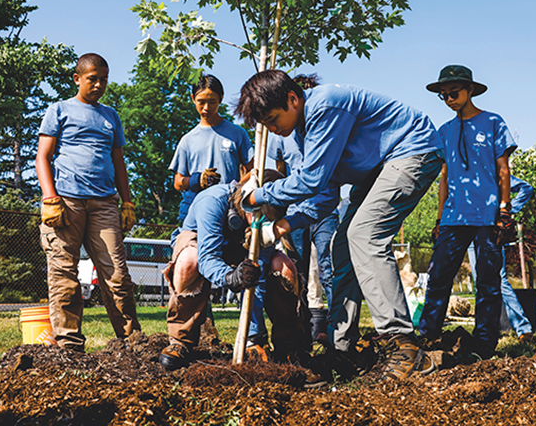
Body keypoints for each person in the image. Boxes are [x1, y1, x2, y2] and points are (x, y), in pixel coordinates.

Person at [236, 69, 444, 380]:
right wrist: (285, 225)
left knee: (364, 233)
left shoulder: (327, 105)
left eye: (272, 120)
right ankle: (341, 349)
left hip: (412, 150)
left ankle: (405, 346)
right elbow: (323, 197)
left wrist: (258, 195)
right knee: (343, 243)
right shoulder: (305, 133)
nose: (273, 129)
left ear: (293, 99)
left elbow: (311, 180)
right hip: (379, 169)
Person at [159, 170, 317, 381]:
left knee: (285, 267)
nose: (264, 223)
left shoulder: (263, 225)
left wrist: (254, 336)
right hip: (202, 246)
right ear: (248, 200)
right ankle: (181, 341)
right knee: (190, 260)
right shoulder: (212, 201)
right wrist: (231, 277)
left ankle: (288, 346)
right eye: (261, 216)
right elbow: (207, 258)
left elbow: (258, 276)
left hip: (239, 252)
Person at [35, 53, 140, 351]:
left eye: (104, 79)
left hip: (105, 203)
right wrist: (49, 197)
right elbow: (42, 157)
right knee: (64, 272)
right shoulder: (59, 111)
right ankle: (69, 343)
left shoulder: (111, 116)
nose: (99, 85)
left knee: (117, 275)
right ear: (77, 79)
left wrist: (127, 203)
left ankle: (132, 342)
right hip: (66, 202)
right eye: (92, 78)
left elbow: (119, 163)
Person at [419, 65, 517, 358]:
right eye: (444, 95)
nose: (449, 98)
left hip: (488, 215)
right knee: (438, 277)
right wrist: (439, 218)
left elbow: (503, 169)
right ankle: (428, 336)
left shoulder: (493, 123)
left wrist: (504, 208)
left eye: (454, 92)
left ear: (470, 90)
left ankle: (485, 343)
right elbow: (444, 176)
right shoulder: (444, 131)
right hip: (453, 216)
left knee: (488, 280)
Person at [267, 74, 338, 343]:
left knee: (329, 267)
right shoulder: (280, 132)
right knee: (294, 270)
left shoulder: (323, 125)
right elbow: (279, 171)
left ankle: (336, 331)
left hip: (325, 208)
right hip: (295, 211)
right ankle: (300, 333)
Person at [169, 74, 253, 223]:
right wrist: (197, 180)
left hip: (230, 212)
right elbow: (178, 182)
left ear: (221, 99)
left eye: (212, 102)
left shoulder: (237, 134)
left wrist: (237, 188)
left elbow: (253, 170)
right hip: (194, 212)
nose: (206, 108)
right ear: (193, 98)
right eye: (201, 102)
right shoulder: (187, 140)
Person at [466, 175, 534, 342]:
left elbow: (526, 188)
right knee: (479, 282)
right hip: (469, 232)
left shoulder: (493, 172)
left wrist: (508, 211)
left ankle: (523, 329)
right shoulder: (464, 173)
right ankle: (487, 330)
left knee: (500, 280)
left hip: (491, 232)